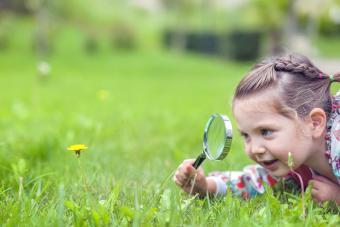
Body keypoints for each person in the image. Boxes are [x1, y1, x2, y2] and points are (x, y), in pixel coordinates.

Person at [173, 53, 340, 204]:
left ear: (315, 123)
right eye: (246, 135)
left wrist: (337, 198)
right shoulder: (291, 157)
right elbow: (255, 181)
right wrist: (205, 186)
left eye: (266, 132)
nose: (254, 149)